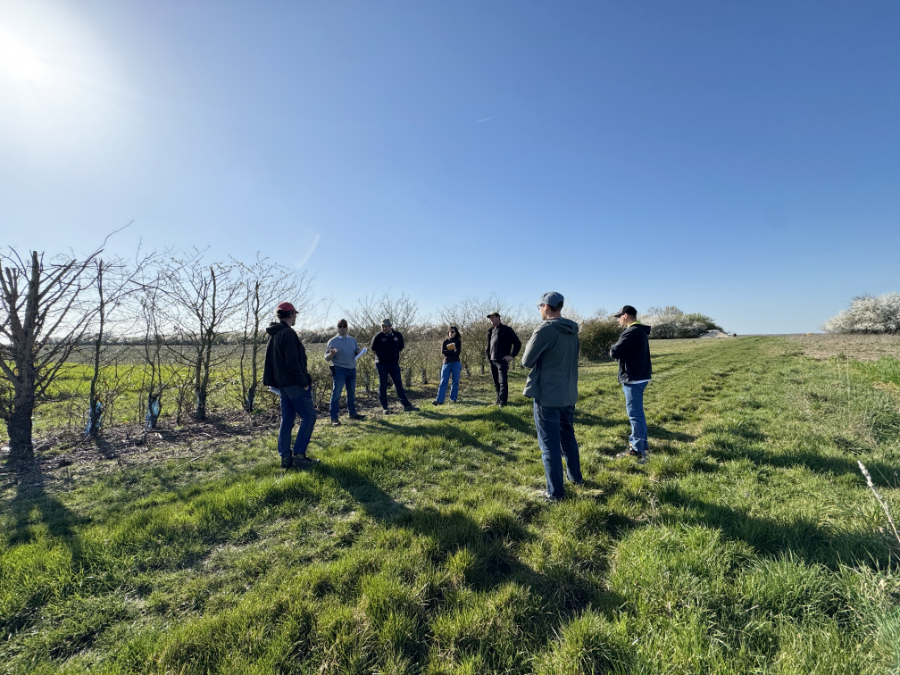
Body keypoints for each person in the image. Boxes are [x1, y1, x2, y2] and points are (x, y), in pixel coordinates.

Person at [521, 292, 583, 502]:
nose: (539, 310)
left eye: (539, 306)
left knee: (549, 445)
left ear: (546, 306)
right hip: (568, 393)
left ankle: (555, 494)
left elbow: (526, 360)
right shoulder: (572, 330)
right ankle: (576, 479)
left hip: (547, 394)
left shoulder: (545, 329)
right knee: (568, 437)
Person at [263, 301, 320, 469]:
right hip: (294, 384)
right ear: (292, 314)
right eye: (295, 314)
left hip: (283, 386)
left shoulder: (275, 333)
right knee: (309, 417)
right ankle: (299, 455)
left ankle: (286, 458)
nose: (296, 317)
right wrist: (303, 382)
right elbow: (292, 362)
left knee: (287, 420)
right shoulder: (288, 333)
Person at [609, 305, 652, 464]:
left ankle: (637, 449)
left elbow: (615, 352)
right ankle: (643, 445)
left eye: (618, 317)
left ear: (625, 315)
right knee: (638, 413)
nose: (618, 320)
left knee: (635, 414)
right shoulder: (640, 331)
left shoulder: (632, 331)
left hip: (634, 378)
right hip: (640, 376)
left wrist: (612, 347)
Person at [324, 319, 366, 426]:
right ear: (337, 328)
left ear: (347, 328)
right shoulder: (332, 341)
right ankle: (334, 418)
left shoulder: (352, 340)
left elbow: (356, 351)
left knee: (351, 393)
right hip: (339, 370)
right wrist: (332, 354)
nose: (342, 328)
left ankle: (352, 413)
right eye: (340, 326)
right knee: (336, 394)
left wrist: (359, 351)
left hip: (352, 370)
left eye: (344, 326)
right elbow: (327, 358)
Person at [371, 319, 417, 413]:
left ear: (390, 326)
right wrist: (381, 357)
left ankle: (406, 405)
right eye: (383, 326)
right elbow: (373, 349)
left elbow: (400, 347)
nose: (384, 328)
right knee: (383, 385)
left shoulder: (397, 335)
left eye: (386, 326)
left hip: (394, 363)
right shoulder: (378, 336)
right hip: (381, 364)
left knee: (398, 383)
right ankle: (385, 407)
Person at [485, 311, 521, 408]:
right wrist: (487, 356)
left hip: (501, 360)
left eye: (493, 318)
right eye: (490, 318)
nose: (491, 320)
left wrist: (512, 355)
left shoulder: (506, 330)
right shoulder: (490, 331)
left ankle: (503, 402)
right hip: (492, 360)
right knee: (496, 381)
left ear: (498, 318)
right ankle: (498, 399)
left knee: (502, 381)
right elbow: (489, 346)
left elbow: (517, 343)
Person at [433, 326, 462, 405]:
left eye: (453, 332)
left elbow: (458, 353)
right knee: (443, 381)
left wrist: (450, 351)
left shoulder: (458, 341)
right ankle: (439, 400)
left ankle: (453, 398)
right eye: (449, 331)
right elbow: (443, 352)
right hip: (446, 362)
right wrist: (452, 350)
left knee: (455, 381)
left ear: (455, 333)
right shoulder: (445, 341)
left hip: (456, 362)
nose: (451, 333)